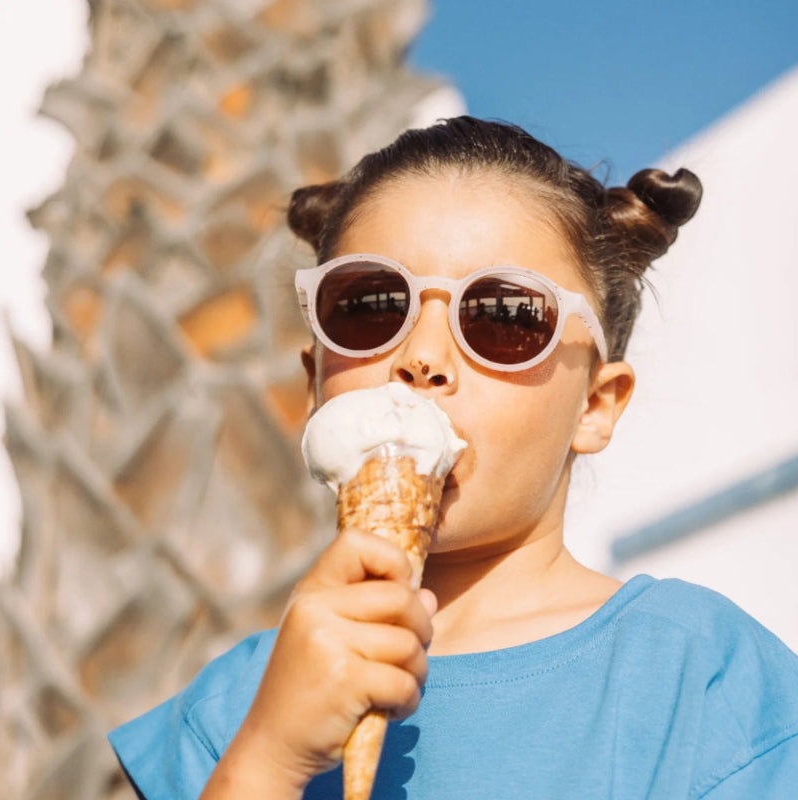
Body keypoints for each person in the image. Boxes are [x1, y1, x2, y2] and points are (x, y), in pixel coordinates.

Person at [109, 117, 798, 799]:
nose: (423, 358)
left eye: (504, 316)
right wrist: (264, 764)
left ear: (596, 405)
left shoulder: (702, 680)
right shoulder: (232, 712)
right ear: (315, 381)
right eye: (371, 307)